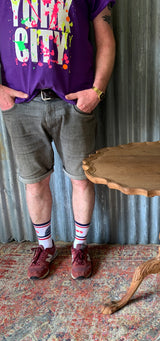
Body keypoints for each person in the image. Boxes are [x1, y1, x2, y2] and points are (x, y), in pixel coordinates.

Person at [0, 0, 116, 280]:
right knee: (34, 182)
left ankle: (79, 246)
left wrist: (96, 92)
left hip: (73, 103)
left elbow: (106, 39)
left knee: (81, 179)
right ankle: (45, 246)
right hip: (21, 104)